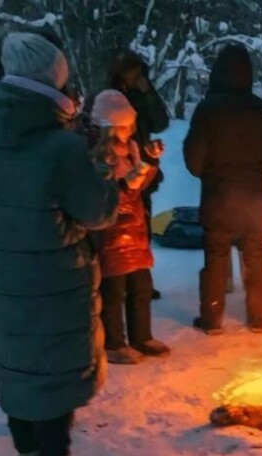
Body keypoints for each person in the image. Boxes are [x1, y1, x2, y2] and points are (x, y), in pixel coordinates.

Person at [0, 32, 118, 456]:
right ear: (55, 85)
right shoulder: (62, 150)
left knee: (19, 360)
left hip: (4, 282)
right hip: (55, 285)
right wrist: (101, 162)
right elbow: (99, 212)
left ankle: (24, 443)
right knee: (53, 380)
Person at [183, 44, 262, 334]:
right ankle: (258, 316)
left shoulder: (207, 110)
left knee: (215, 259)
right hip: (253, 204)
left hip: (218, 202)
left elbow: (193, 162)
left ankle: (212, 319)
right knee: (255, 256)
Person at [89, 89, 170, 364]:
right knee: (114, 291)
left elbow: (139, 188)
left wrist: (150, 162)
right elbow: (105, 197)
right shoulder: (99, 157)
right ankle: (114, 343)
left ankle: (142, 336)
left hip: (135, 230)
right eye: (121, 126)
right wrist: (126, 185)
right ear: (107, 127)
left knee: (141, 287)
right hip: (111, 233)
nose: (127, 131)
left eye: (128, 125)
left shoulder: (132, 150)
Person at [85, 49, 170, 300]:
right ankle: (113, 284)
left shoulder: (140, 95)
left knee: (139, 225)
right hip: (114, 172)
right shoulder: (105, 98)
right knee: (112, 231)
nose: (138, 76)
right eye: (134, 72)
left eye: (140, 73)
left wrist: (148, 93)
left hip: (140, 167)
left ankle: (139, 282)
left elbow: (160, 122)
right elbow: (92, 132)